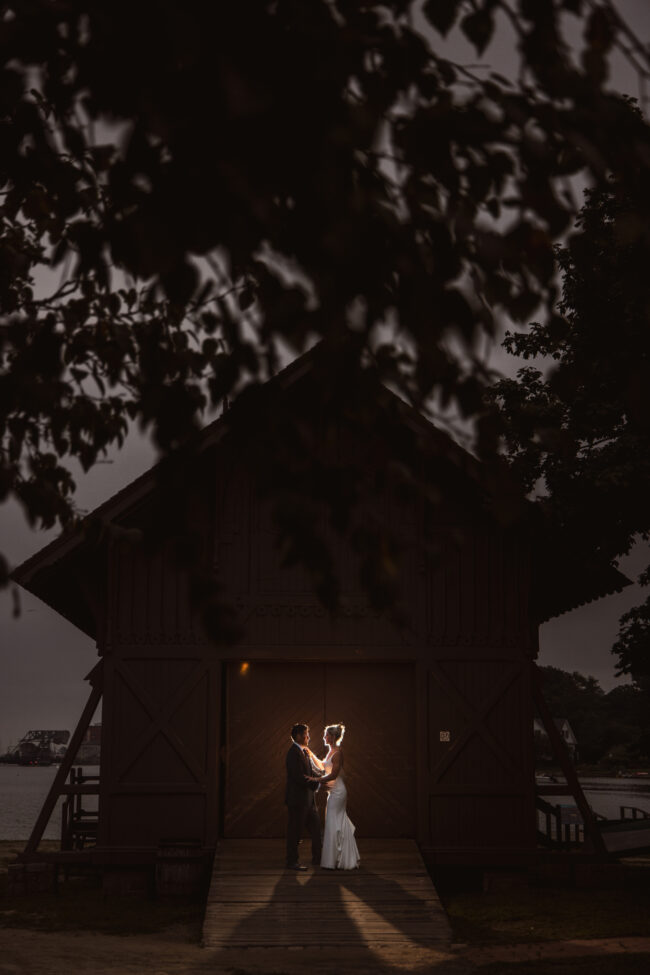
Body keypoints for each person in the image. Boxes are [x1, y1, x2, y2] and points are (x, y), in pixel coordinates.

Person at [308, 723, 360, 870]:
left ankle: (340, 859)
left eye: (326, 735)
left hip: (338, 792)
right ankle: (338, 858)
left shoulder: (338, 753)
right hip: (332, 792)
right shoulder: (331, 751)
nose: (324, 737)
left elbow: (334, 774)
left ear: (331, 737)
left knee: (334, 822)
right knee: (333, 822)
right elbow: (322, 765)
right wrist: (310, 753)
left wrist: (316, 780)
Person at [285, 723, 322, 871]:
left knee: (316, 829)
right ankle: (291, 861)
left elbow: (312, 772)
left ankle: (318, 859)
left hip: (309, 800)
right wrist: (318, 785)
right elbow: (299, 777)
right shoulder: (293, 753)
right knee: (295, 832)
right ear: (299, 736)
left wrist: (324, 778)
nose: (309, 737)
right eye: (306, 734)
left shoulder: (304, 752)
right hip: (298, 800)